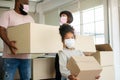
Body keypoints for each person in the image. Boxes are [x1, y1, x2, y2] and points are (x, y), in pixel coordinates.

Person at [0, 0, 34, 80]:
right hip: (10, 57)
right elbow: (1, 29)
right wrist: (9, 43)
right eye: (25, 3)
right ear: (18, 2)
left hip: (26, 57)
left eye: (28, 4)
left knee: (26, 78)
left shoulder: (30, 18)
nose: (27, 6)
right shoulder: (7, 14)